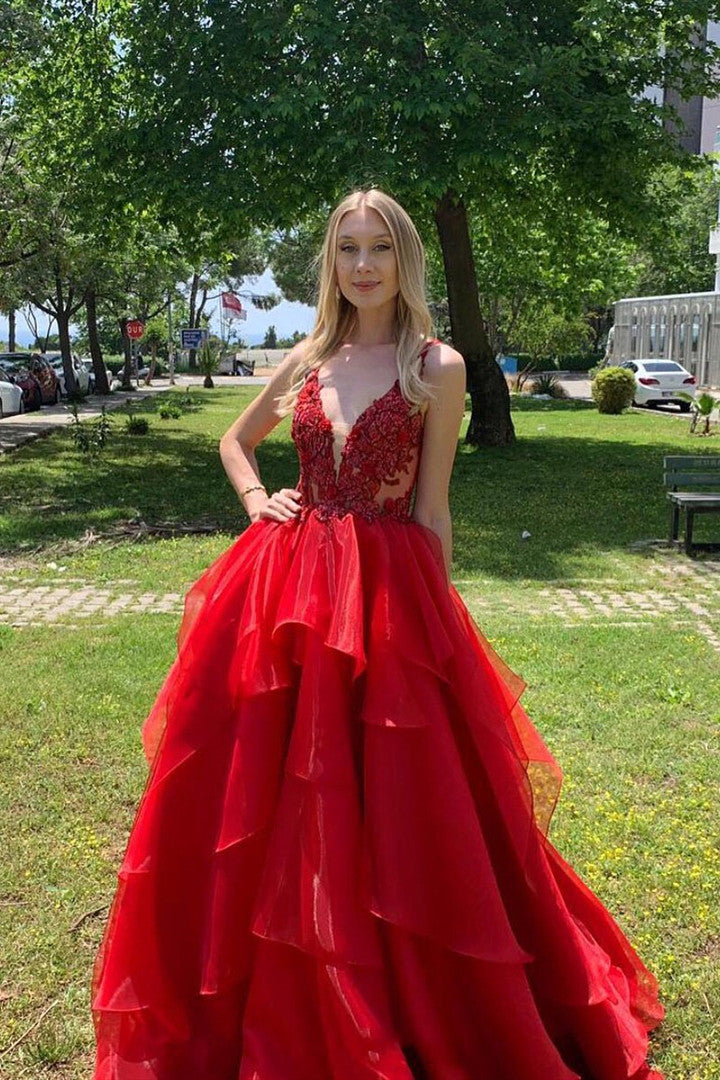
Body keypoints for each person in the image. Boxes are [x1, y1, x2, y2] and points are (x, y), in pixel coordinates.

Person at [90, 188, 665, 1079]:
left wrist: (442, 629)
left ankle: (405, 988)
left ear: (405, 260)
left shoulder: (437, 365)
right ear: (332, 262)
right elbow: (237, 445)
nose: (363, 266)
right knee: (272, 788)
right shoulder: (308, 355)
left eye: (379, 249)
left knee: (403, 794)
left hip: (391, 595)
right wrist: (255, 498)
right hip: (289, 590)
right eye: (347, 249)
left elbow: (434, 506)